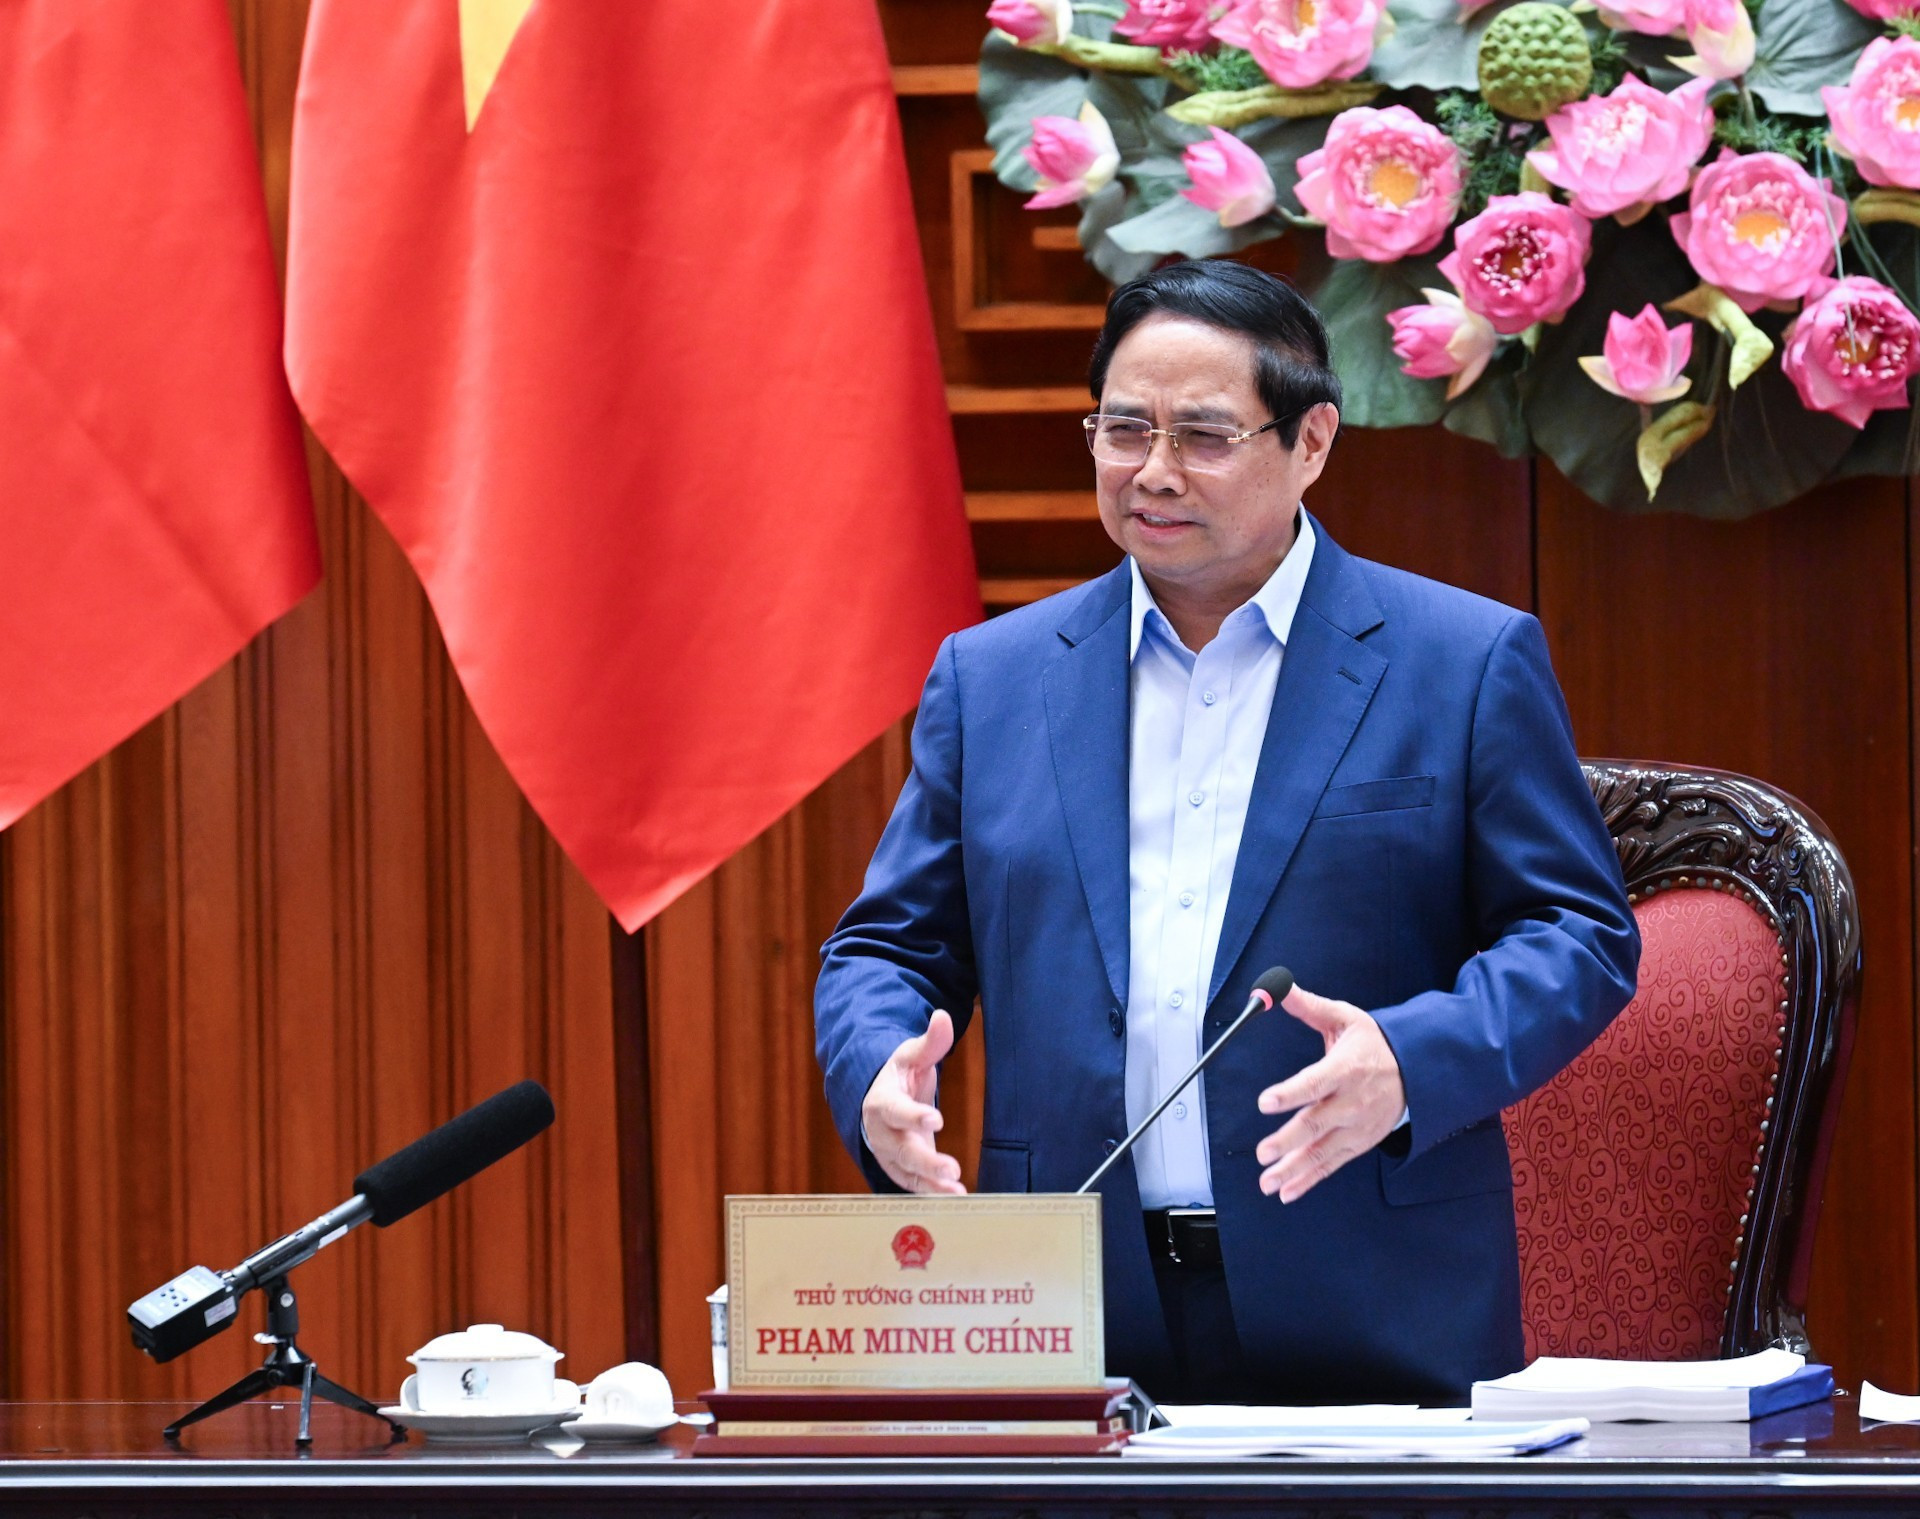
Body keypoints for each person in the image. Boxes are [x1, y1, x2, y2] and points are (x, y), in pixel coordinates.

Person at [813, 259, 1640, 1406]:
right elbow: (888, 950)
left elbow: (1579, 935)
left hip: (1371, 1299)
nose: (1152, 472)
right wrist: (874, 1078)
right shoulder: (993, 678)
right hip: (1066, 1303)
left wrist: (1411, 1057)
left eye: (1202, 435)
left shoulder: (1462, 659)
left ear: (1311, 442)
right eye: (1121, 429)